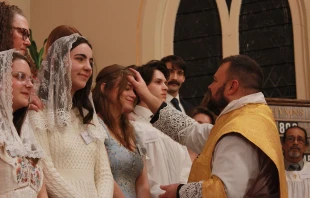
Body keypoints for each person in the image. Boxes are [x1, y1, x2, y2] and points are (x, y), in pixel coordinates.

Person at [128, 54, 288, 197]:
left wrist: (179, 192)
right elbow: (190, 130)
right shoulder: (252, 117)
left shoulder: (241, 129)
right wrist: (147, 96)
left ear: (232, 86)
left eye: (216, 81)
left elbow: (223, 191)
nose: (210, 86)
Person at [28, 34, 113, 198]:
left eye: (90, 61)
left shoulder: (88, 117)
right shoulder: (38, 112)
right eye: (80, 59)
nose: (88, 67)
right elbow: (45, 169)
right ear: (59, 63)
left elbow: (104, 173)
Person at [130, 60, 192, 197]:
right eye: (158, 82)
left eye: (165, 82)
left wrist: (179, 192)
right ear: (142, 86)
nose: (165, 87)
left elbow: (186, 165)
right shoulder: (132, 125)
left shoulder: (171, 125)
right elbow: (138, 172)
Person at [92, 64, 150, 198]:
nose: (133, 95)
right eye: (127, 89)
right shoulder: (95, 126)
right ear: (104, 88)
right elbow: (102, 176)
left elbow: (143, 183)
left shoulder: (132, 132)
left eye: (134, 90)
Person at [0, 50, 47, 197]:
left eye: (30, 79)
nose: (29, 85)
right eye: (20, 77)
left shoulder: (28, 138)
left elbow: (42, 194)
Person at [282, 126, 310, 198]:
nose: (295, 142)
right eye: (290, 139)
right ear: (283, 144)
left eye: (300, 139)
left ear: (305, 147)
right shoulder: (273, 171)